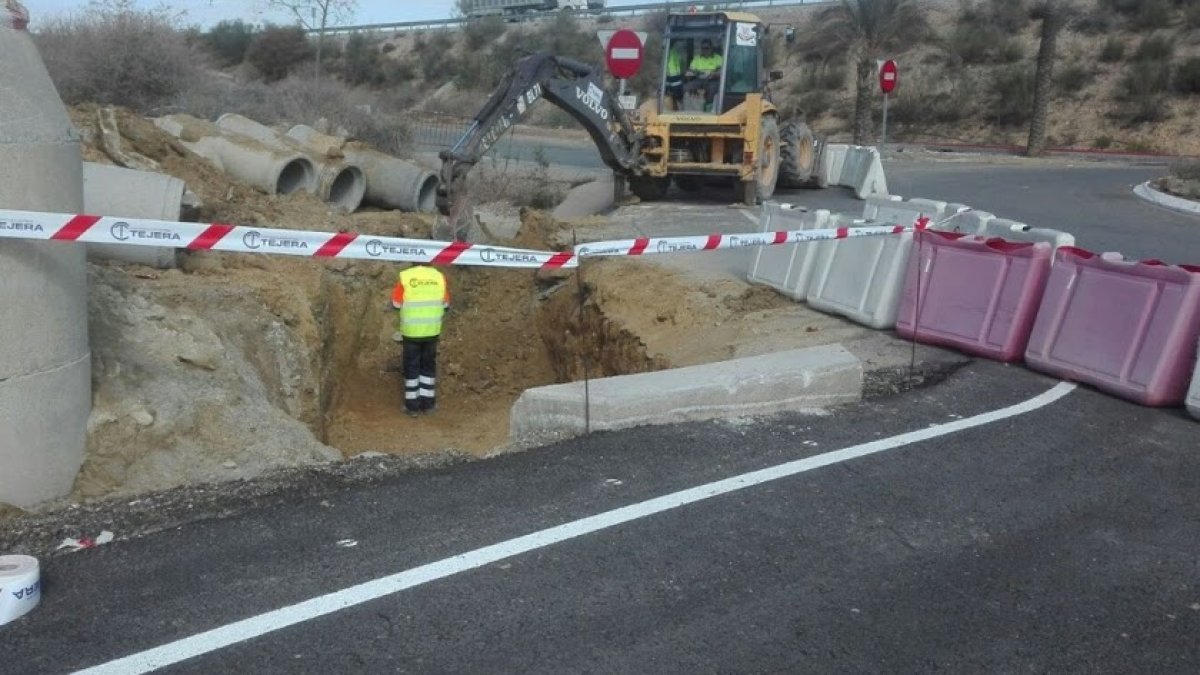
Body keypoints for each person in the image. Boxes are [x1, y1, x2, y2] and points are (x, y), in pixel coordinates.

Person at [391, 264, 450, 416]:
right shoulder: (438, 276)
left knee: (412, 367)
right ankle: (428, 405)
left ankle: (412, 407)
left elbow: (396, 303)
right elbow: (446, 304)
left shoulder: (405, 277)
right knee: (428, 366)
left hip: (411, 333)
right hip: (432, 331)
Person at [683, 39, 723, 108]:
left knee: (713, 89)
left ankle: (708, 107)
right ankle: (690, 108)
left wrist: (714, 74)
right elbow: (691, 70)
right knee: (686, 87)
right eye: (703, 48)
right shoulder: (697, 58)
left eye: (707, 48)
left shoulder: (718, 58)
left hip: (712, 80)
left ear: (711, 48)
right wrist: (689, 74)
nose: (705, 50)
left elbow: (722, 71)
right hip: (698, 80)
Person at [665, 41, 687, 110]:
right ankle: (678, 109)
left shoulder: (671, 50)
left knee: (674, 95)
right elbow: (682, 62)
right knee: (673, 96)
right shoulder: (674, 51)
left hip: (672, 77)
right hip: (671, 77)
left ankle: (679, 109)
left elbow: (682, 62)